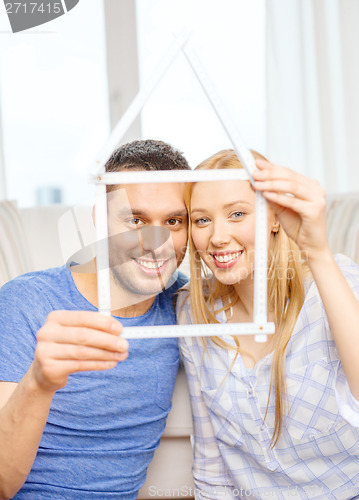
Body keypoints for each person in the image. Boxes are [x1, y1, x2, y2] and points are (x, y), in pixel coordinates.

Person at [0, 139, 190, 499]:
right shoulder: (25, 302)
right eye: (135, 220)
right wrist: (40, 382)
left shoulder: (185, 304)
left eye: (173, 221)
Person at [177, 149, 359, 499]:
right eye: (201, 220)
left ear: (275, 217)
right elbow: (211, 467)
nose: (217, 237)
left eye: (237, 214)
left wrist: (316, 252)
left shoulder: (335, 281)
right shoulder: (192, 311)